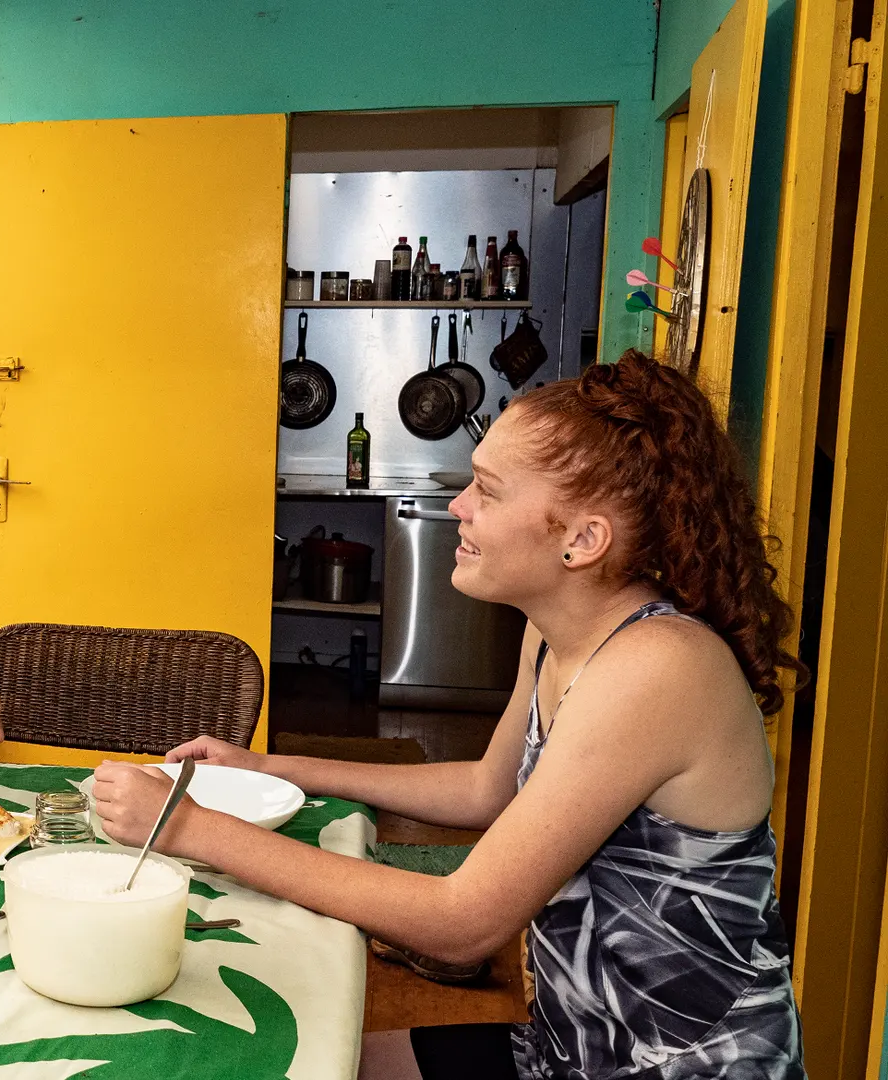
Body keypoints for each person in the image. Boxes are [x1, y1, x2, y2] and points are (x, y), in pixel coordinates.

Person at [94, 352, 806, 1079]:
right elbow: (485, 791)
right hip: (566, 1054)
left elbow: (463, 924)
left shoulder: (657, 667)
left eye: (488, 492)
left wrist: (184, 825)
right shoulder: (558, 632)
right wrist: (271, 765)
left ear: (583, 541)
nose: (459, 505)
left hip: (680, 1069)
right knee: (317, 1060)